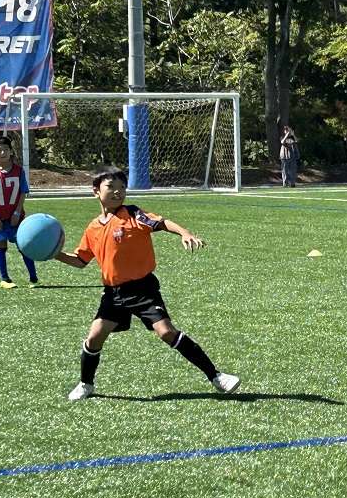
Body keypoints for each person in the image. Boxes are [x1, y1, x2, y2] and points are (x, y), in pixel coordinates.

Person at [54, 165, 241, 401]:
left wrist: (184, 233)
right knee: (94, 338)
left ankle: (216, 376)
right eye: (110, 186)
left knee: (166, 332)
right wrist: (54, 253)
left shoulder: (133, 214)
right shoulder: (93, 228)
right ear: (96, 191)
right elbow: (80, 260)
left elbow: (162, 223)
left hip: (143, 289)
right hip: (113, 293)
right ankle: (86, 384)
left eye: (122, 187)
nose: (117, 192)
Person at [0, 137, 38, 289]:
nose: (3, 153)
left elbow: (23, 192)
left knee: (23, 246)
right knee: (1, 246)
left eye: (6, 149)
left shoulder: (19, 171)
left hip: (16, 217)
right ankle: (5, 278)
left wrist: (17, 213)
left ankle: (33, 277)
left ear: (11, 151)